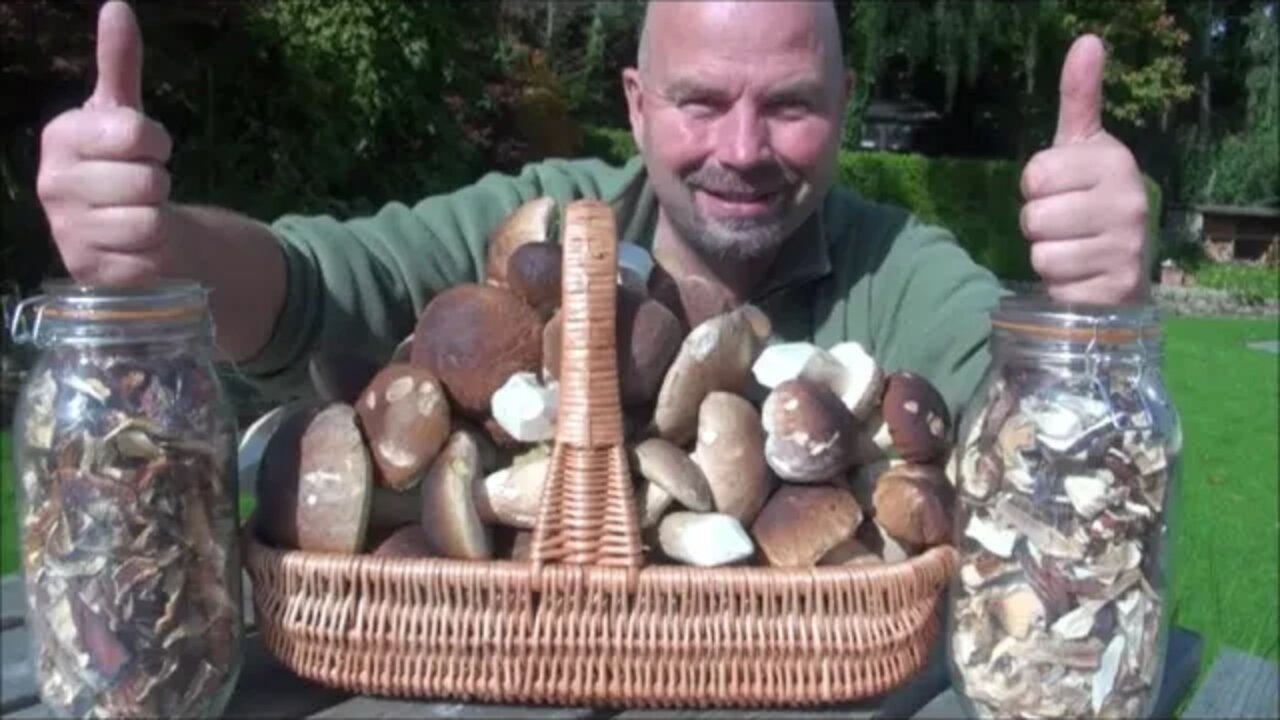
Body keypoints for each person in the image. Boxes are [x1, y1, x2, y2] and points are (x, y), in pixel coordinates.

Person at [35, 0, 1151, 425]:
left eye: (792, 105)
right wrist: (162, 248)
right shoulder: (530, 228)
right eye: (701, 101)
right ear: (634, 101)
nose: (742, 150)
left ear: (844, 104)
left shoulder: (898, 271)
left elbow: (1026, 423)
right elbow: (316, 288)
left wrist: (1093, 312)